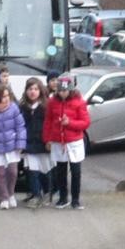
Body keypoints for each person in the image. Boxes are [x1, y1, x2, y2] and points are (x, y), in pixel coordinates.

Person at [43, 72, 90, 210]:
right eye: (60, 91)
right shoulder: (52, 102)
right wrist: (47, 139)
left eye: (65, 91)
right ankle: (63, 198)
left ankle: (75, 199)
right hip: (58, 140)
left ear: (70, 90)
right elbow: (48, 121)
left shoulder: (79, 102)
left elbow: (85, 122)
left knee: (76, 171)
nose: (63, 93)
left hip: (74, 141)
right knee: (60, 171)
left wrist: (70, 123)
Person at [20, 78, 53, 208]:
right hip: (29, 143)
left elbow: (50, 124)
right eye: (30, 89)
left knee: (45, 170)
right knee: (32, 170)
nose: (33, 92)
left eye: (35, 89)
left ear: (40, 90)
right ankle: (36, 194)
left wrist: (49, 140)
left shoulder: (46, 106)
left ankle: (47, 192)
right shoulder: (22, 107)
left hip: (43, 143)